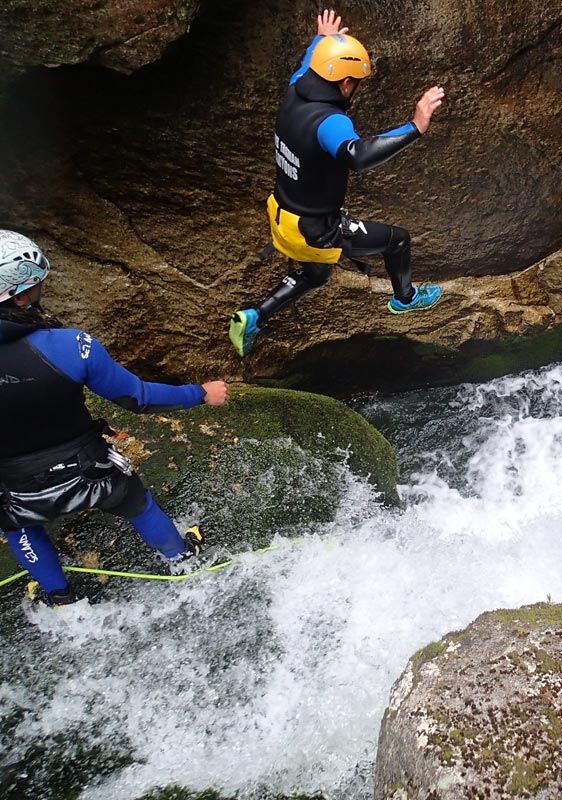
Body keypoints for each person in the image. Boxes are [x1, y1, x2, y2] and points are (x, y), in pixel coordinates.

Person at [0, 230, 229, 605]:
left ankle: (58, 598)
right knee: (137, 502)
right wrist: (200, 393)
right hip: (89, 471)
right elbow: (138, 397)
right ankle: (183, 560)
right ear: (21, 295)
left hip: (14, 486)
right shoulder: (71, 346)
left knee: (17, 524)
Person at [229, 9, 446, 357]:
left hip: (283, 216)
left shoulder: (294, 90)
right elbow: (357, 155)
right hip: (318, 228)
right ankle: (405, 299)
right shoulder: (328, 122)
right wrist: (415, 126)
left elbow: (306, 64)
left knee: (316, 274)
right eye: (356, 83)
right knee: (397, 241)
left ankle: (254, 315)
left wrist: (322, 40)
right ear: (346, 83)